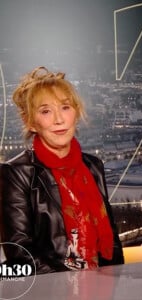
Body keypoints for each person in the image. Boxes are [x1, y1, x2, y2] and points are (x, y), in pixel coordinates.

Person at [0, 66, 124, 274]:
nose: (59, 119)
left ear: (76, 113)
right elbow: (19, 253)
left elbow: (111, 238)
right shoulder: (17, 173)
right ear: (30, 122)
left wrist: (114, 281)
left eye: (65, 107)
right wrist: (68, 287)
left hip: (102, 287)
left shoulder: (93, 166)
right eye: (46, 111)